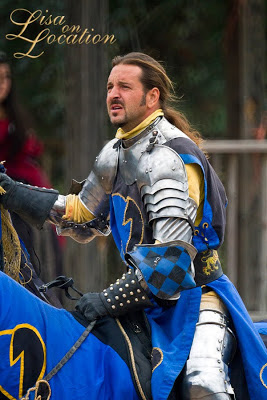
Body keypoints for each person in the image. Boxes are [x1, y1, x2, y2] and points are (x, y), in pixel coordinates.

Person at [0, 52, 266, 399]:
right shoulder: (116, 153)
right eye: (110, 86)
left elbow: (170, 267)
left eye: (125, 86)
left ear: (152, 97)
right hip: (147, 303)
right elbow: (81, 214)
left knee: (204, 386)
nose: (113, 94)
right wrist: (12, 190)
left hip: (194, 300)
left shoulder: (167, 159)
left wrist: (107, 300)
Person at [0, 51, 62, 306]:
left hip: (28, 206)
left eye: (5, 77)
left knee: (36, 277)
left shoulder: (16, 115)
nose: (3, 82)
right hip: (6, 207)